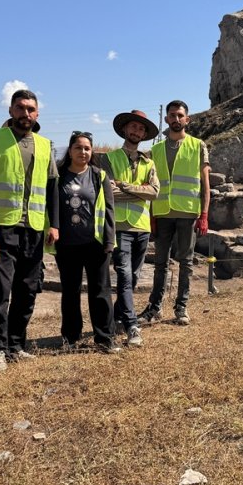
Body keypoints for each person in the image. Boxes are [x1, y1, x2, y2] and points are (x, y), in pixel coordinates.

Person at [0, 89, 59, 370]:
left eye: (31, 109)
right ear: (11, 110)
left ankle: (15, 345)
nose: (26, 114)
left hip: (34, 228)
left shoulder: (45, 145)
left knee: (27, 289)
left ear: (37, 113)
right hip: (1, 227)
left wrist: (55, 224)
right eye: (20, 108)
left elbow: (51, 189)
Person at [139, 100, 211, 326]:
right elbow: (148, 185)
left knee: (186, 262)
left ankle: (181, 307)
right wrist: (150, 215)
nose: (176, 119)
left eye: (180, 115)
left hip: (188, 212)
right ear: (166, 119)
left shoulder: (198, 145)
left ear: (187, 119)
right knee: (160, 263)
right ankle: (155, 306)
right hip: (162, 213)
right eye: (172, 115)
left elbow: (205, 184)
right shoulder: (155, 150)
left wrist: (204, 214)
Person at [50, 131, 119, 353]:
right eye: (78, 147)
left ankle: (105, 337)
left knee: (100, 291)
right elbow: (51, 206)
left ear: (92, 151)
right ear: (69, 150)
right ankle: (70, 337)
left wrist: (109, 241)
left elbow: (108, 210)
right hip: (67, 245)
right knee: (70, 292)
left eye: (87, 148)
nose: (83, 152)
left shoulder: (99, 176)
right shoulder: (58, 176)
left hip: (95, 244)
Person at [97, 110, 159, 347]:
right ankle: (132, 325)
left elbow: (154, 193)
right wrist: (137, 191)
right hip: (119, 227)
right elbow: (109, 193)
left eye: (141, 129)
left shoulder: (149, 161)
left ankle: (112, 318)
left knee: (131, 278)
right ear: (124, 129)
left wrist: (123, 185)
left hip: (142, 227)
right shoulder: (109, 159)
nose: (136, 131)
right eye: (133, 127)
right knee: (124, 276)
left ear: (144, 134)